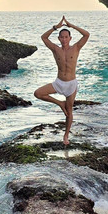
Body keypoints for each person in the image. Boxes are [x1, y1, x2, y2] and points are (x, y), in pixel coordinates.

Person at [34, 16, 90, 145]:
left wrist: (71, 26)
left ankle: (66, 136)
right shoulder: (55, 49)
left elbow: (86, 35)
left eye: (66, 37)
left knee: (69, 112)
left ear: (70, 38)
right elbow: (43, 37)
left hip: (71, 84)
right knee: (38, 93)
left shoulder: (76, 48)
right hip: (59, 83)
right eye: (62, 37)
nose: (64, 39)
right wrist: (55, 27)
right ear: (59, 38)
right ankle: (60, 103)